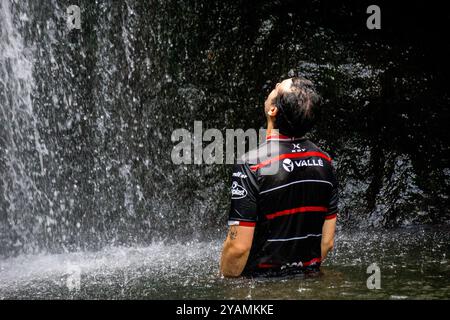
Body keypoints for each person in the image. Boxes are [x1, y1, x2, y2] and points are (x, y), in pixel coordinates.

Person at [220, 77, 338, 277]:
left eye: (278, 87)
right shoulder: (325, 162)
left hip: (262, 285)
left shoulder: (252, 165)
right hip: (309, 279)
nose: (274, 86)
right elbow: (326, 243)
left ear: (272, 111)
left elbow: (238, 248)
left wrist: (225, 284)